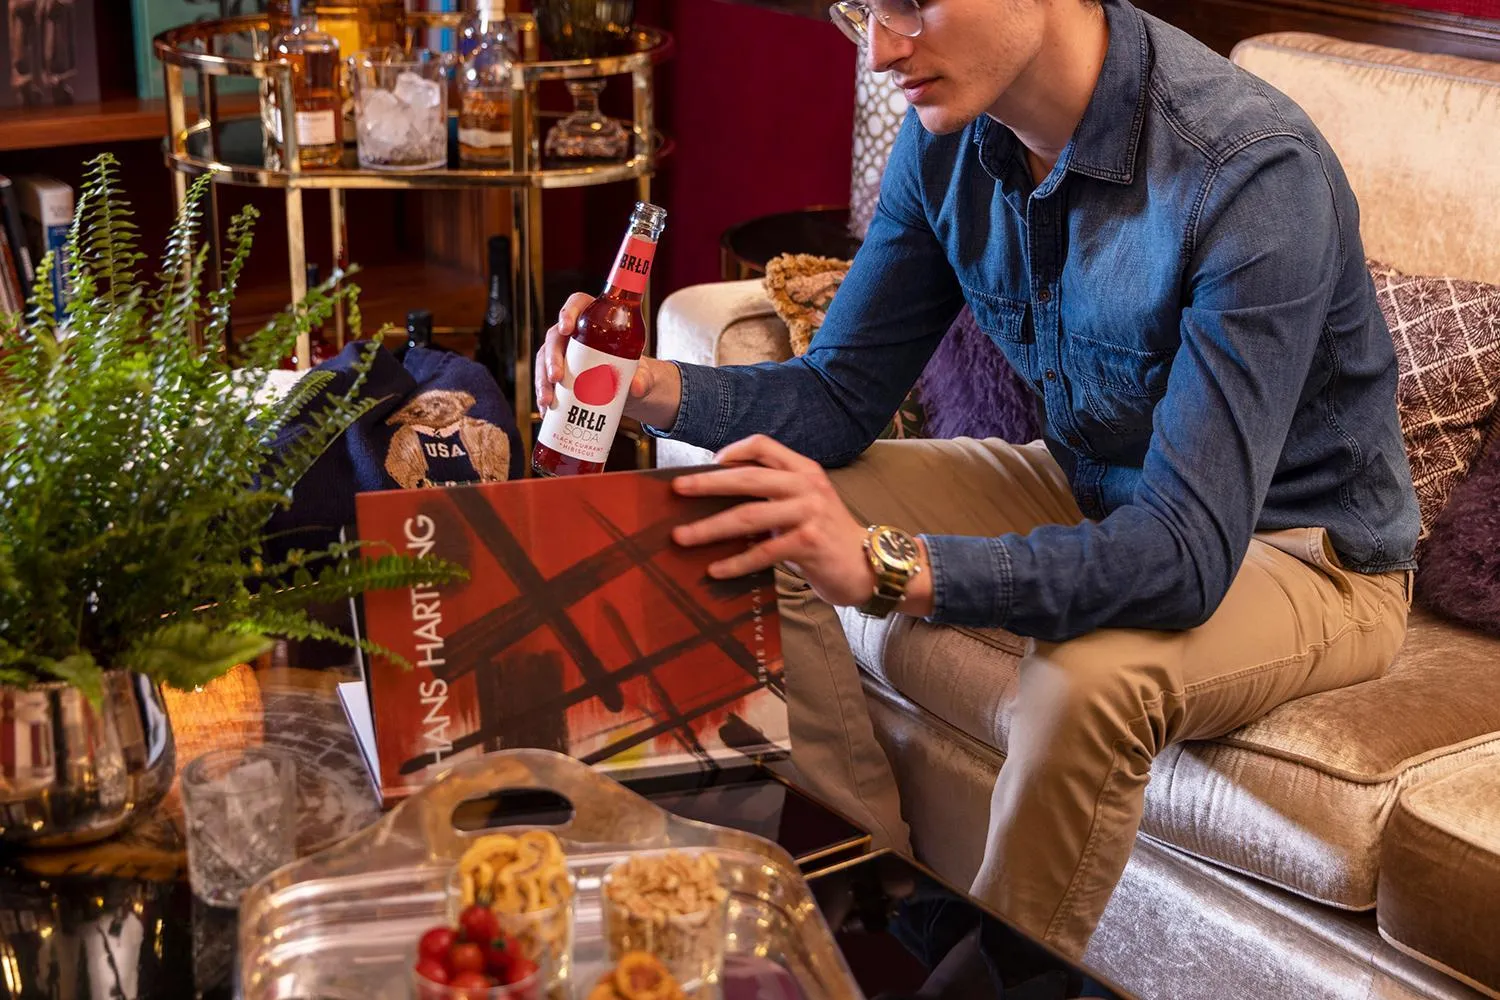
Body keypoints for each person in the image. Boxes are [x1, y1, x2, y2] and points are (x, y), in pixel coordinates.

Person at [536, 0, 1419, 959]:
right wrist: (650, 389)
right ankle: (869, 912)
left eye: (911, 3)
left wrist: (892, 566)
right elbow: (838, 397)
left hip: (1299, 551)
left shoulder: (1249, 171)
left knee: (1083, 685)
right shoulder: (949, 138)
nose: (877, 50)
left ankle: (987, 981)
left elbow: (1182, 553)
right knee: (747, 508)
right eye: (862, 9)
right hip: (1090, 485)